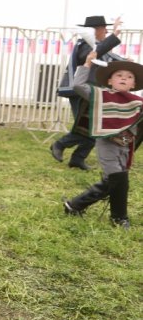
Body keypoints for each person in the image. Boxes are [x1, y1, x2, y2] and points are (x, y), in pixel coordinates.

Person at [62, 52, 143, 230]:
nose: (124, 78)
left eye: (129, 77)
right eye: (119, 75)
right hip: (107, 144)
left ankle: (74, 205)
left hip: (126, 147)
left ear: (134, 84)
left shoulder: (138, 102)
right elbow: (77, 85)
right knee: (118, 179)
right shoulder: (100, 96)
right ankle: (119, 218)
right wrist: (87, 63)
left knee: (112, 182)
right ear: (109, 80)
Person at [51, 15, 123, 170]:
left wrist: (125, 62)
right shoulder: (85, 45)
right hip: (79, 91)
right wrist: (115, 35)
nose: (107, 31)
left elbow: (107, 59)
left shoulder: (97, 46)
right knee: (86, 127)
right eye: (105, 29)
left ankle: (77, 159)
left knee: (93, 128)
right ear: (96, 30)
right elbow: (93, 55)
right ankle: (60, 144)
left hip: (91, 91)